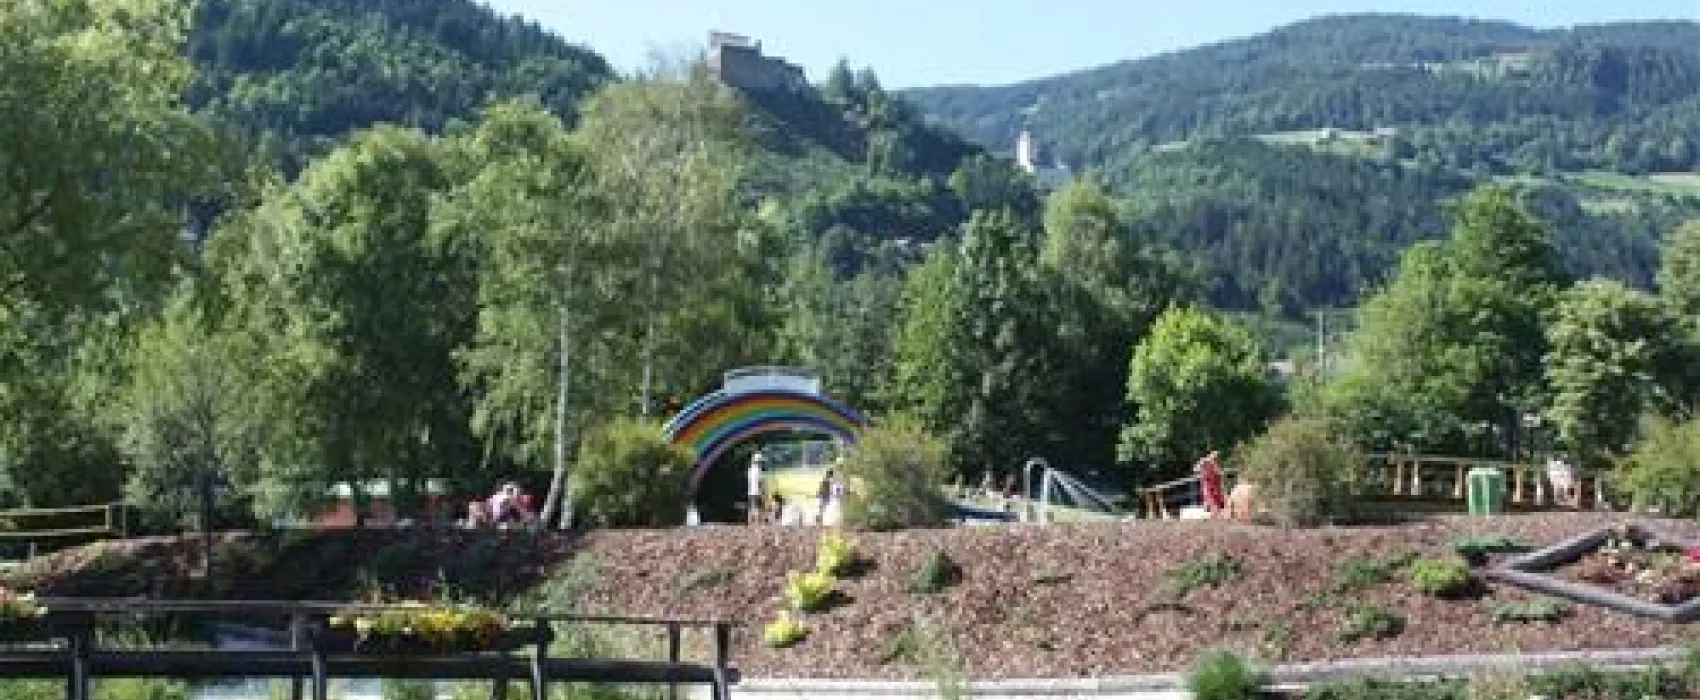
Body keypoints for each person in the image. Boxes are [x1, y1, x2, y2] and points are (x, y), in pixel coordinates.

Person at [1195, 450, 1226, 517]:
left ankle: (1216, 513)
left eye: (1216, 457)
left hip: (1215, 487)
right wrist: (1202, 464)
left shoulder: (1215, 465)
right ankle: (1213, 512)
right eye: (1214, 456)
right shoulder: (1205, 462)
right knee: (1210, 500)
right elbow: (1196, 469)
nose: (1215, 458)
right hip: (1208, 486)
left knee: (1218, 501)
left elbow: (1219, 474)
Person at [747, 452, 767, 525]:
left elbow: (749, 481)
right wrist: (763, 491)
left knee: (752, 507)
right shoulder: (759, 471)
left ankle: (751, 523)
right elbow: (760, 482)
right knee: (758, 508)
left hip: (750, 491)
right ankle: (757, 523)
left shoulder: (750, 470)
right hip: (757, 491)